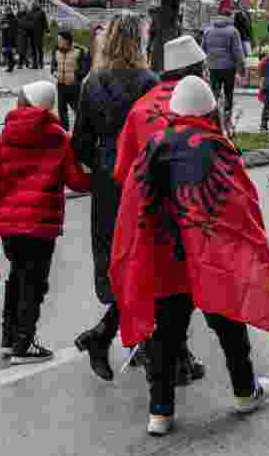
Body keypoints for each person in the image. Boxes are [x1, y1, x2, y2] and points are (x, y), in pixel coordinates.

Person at [110, 75, 269, 436]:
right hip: (207, 255)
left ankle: (160, 412)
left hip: (165, 257)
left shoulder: (155, 144)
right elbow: (240, 204)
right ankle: (243, 390)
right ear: (210, 111)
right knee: (228, 324)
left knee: (166, 333)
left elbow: (133, 201)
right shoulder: (216, 147)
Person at [77, 34, 209, 385]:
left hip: (141, 206)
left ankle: (114, 337)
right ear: (194, 73)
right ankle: (168, 362)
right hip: (184, 210)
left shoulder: (142, 106)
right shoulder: (197, 103)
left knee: (148, 278)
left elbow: (122, 167)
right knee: (179, 285)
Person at [71, 12, 159, 381]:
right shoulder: (147, 81)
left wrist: (103, 164)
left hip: (108, 178)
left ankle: (140, 343)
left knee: (115, 255)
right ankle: (130, 342)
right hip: (139, 175)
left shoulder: (91, 82)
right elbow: (154, 134)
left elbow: (80, 143)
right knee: (146, 260)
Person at [0, 81, 92, 364]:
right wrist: (99, 175)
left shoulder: (4, 136)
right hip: (41, 223)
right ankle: (24, 342)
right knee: (35, 282)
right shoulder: (57, 137)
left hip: (8, 224)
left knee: (16, 277)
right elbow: (76, 181)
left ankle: (8, 339)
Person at [203, 0, 246, 135]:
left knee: (213, 96)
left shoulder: (208, 31)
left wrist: (204, 67)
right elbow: (238, 53)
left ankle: (214, 123)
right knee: (228, 96)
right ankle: (227, 125)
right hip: (228, 69)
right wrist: (242, 70)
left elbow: (202, 49)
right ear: (229, 15)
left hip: (213, 68)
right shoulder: (233, 32)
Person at [51, 29, 91, 131]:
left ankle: (82, 130)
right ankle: (64, 131)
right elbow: (53, 64)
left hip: (74, 86)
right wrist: (54, 71)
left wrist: (77, 77)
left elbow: (85, 67)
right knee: (62, 110)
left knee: (78, 109)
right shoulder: (55, 50)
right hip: (61, 84)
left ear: (67, 40)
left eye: (60, 40)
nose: (58, 42)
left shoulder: (79, 50)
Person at [30, 3, 49, 70]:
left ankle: (40, 63)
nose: (33, 5)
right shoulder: (31, 12)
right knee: (35, 49)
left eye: (33, 4)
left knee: (38, 49)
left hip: (38, 33)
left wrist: (47, 30)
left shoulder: (41, 12)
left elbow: (45, 22)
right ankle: (36, 63)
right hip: (33, 33)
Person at [0, 7, 18, 73]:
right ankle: (12, 63)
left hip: (12, 38)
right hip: (5, 38)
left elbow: (17, 28)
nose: (6, 12)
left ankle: (10, 67)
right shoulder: (4, 18)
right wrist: (3, 27)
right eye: (5, 11)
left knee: (9, 53)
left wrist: (12, 29)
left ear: (10, 11)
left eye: (7, 11)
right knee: (4, 52)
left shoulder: (14, 18)